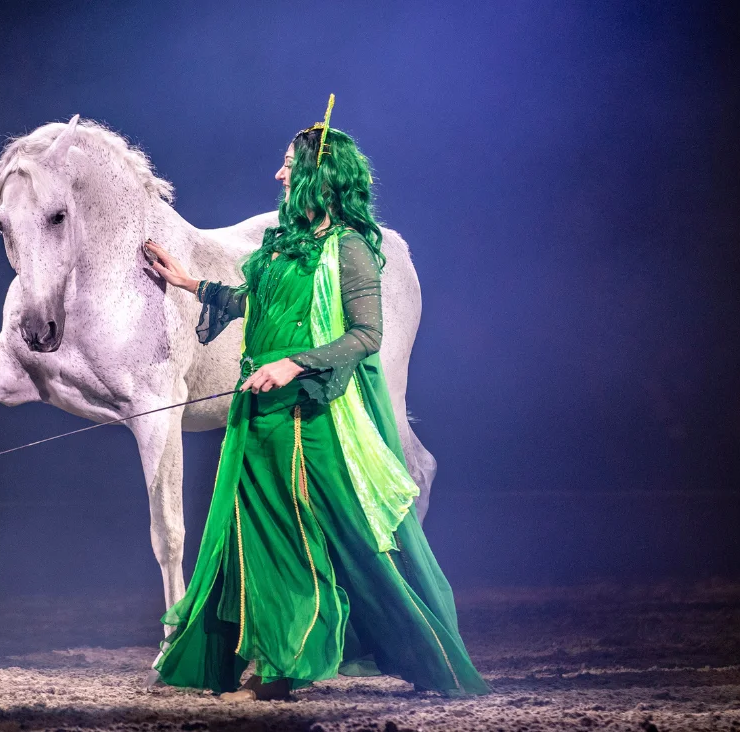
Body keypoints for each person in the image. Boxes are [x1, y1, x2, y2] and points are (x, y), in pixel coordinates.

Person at [143, 102, 490, 702]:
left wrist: (292, 362)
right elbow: (260, 303)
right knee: (256, 537)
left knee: (330, 542)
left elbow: (366, 336)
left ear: (318, 176)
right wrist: (189, 283)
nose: (278, 176)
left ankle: (328, 657)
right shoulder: (281, 245)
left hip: (308, 419)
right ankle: (270, 663)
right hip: (255, 418)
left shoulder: (350, 247)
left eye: (287, 166)